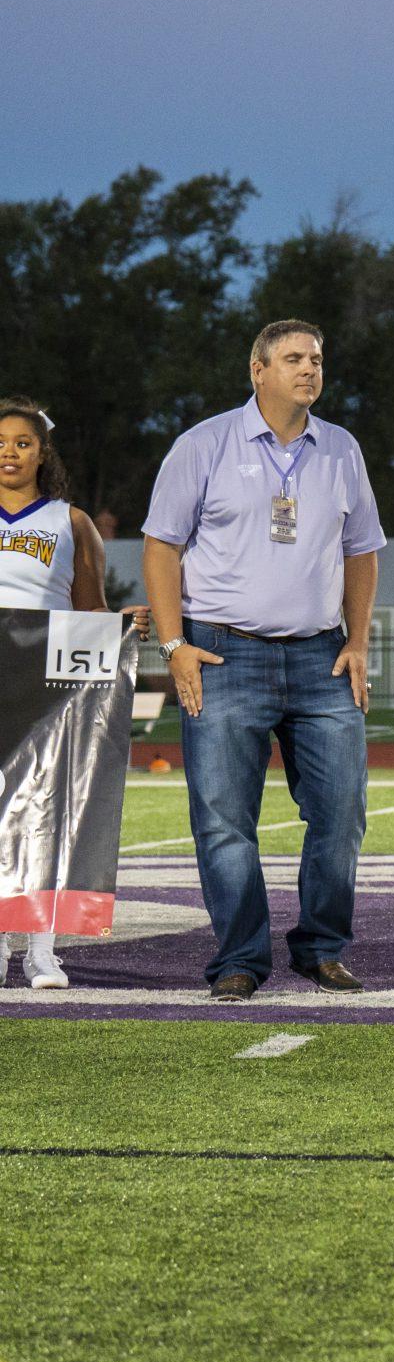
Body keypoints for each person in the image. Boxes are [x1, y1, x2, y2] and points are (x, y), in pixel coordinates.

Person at [141, 320, 385, 1001]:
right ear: (258, 369)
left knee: (342, 812)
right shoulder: (204, 445)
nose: (310, 368)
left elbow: (362, 548)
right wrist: (172, 644)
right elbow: (161, 545)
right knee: (223, 819)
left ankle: (321, 947)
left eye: (317, 357)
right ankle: (240, 957)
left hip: (319, 655)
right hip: (223, 652)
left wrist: (358, 639)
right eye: (294, 358)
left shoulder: (340, 448)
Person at [0, 399, 111, 990]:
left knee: (42, 811)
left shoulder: (70, 521)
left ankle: (41, 951)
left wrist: (125, 626)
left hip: (42, 684)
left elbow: (90, 610)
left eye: (22, 442)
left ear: (43, 452)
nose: (10, 452)